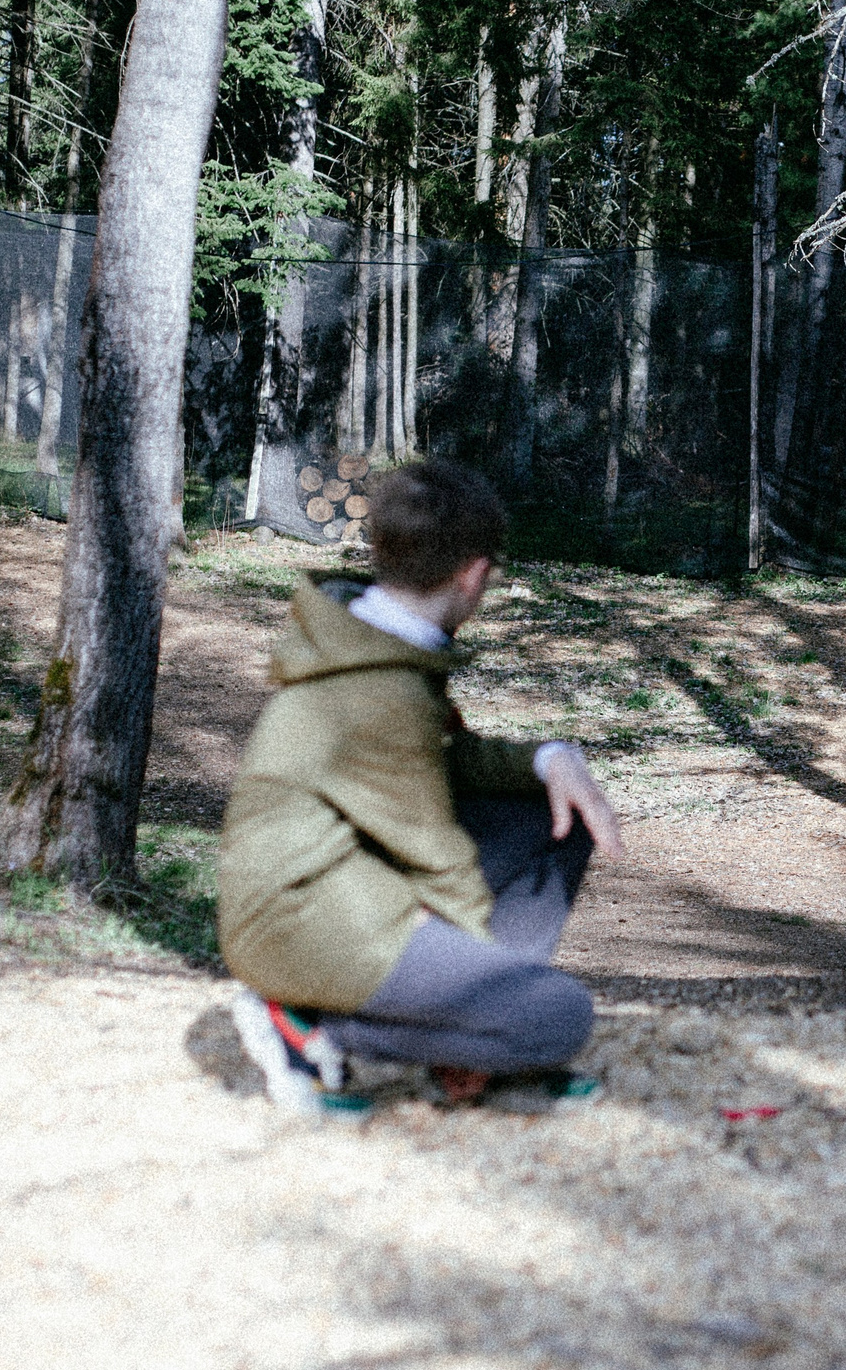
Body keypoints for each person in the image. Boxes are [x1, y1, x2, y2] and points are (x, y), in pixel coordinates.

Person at [218, 458, 623, 1114]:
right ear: (475, 574)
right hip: (299, 918)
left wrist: (552, 759)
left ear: (381, 550)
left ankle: (468, 1037)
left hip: (341, 880)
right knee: (560, 1018)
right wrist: (489, 1010)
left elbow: (449, 758)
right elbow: (440, 859)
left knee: (557, 815)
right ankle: (307, 1024)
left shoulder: (370, 633)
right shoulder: (385, 686)